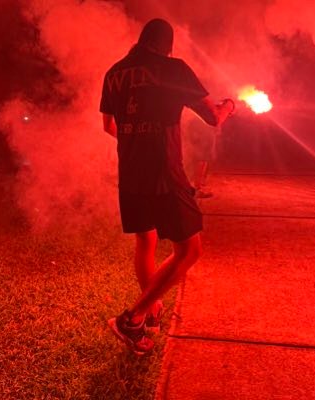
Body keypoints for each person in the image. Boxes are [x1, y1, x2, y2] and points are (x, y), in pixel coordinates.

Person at [100, 18, 234, 355]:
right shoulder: (172, 68)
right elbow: (214, 118)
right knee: (190, 251)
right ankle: (132, 318)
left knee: (145, 240)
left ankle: (150, 313)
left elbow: (108, 125)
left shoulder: (115, 72)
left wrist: (134, 143)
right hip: (164, 173)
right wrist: (231, 105)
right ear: (167, 45)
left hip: (130, 173)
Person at [187, 117, 221, 198]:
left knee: (203, 160)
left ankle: (198, 186)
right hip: (201, 129)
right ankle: (197, 188)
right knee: (201, 160)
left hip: (204, 129)